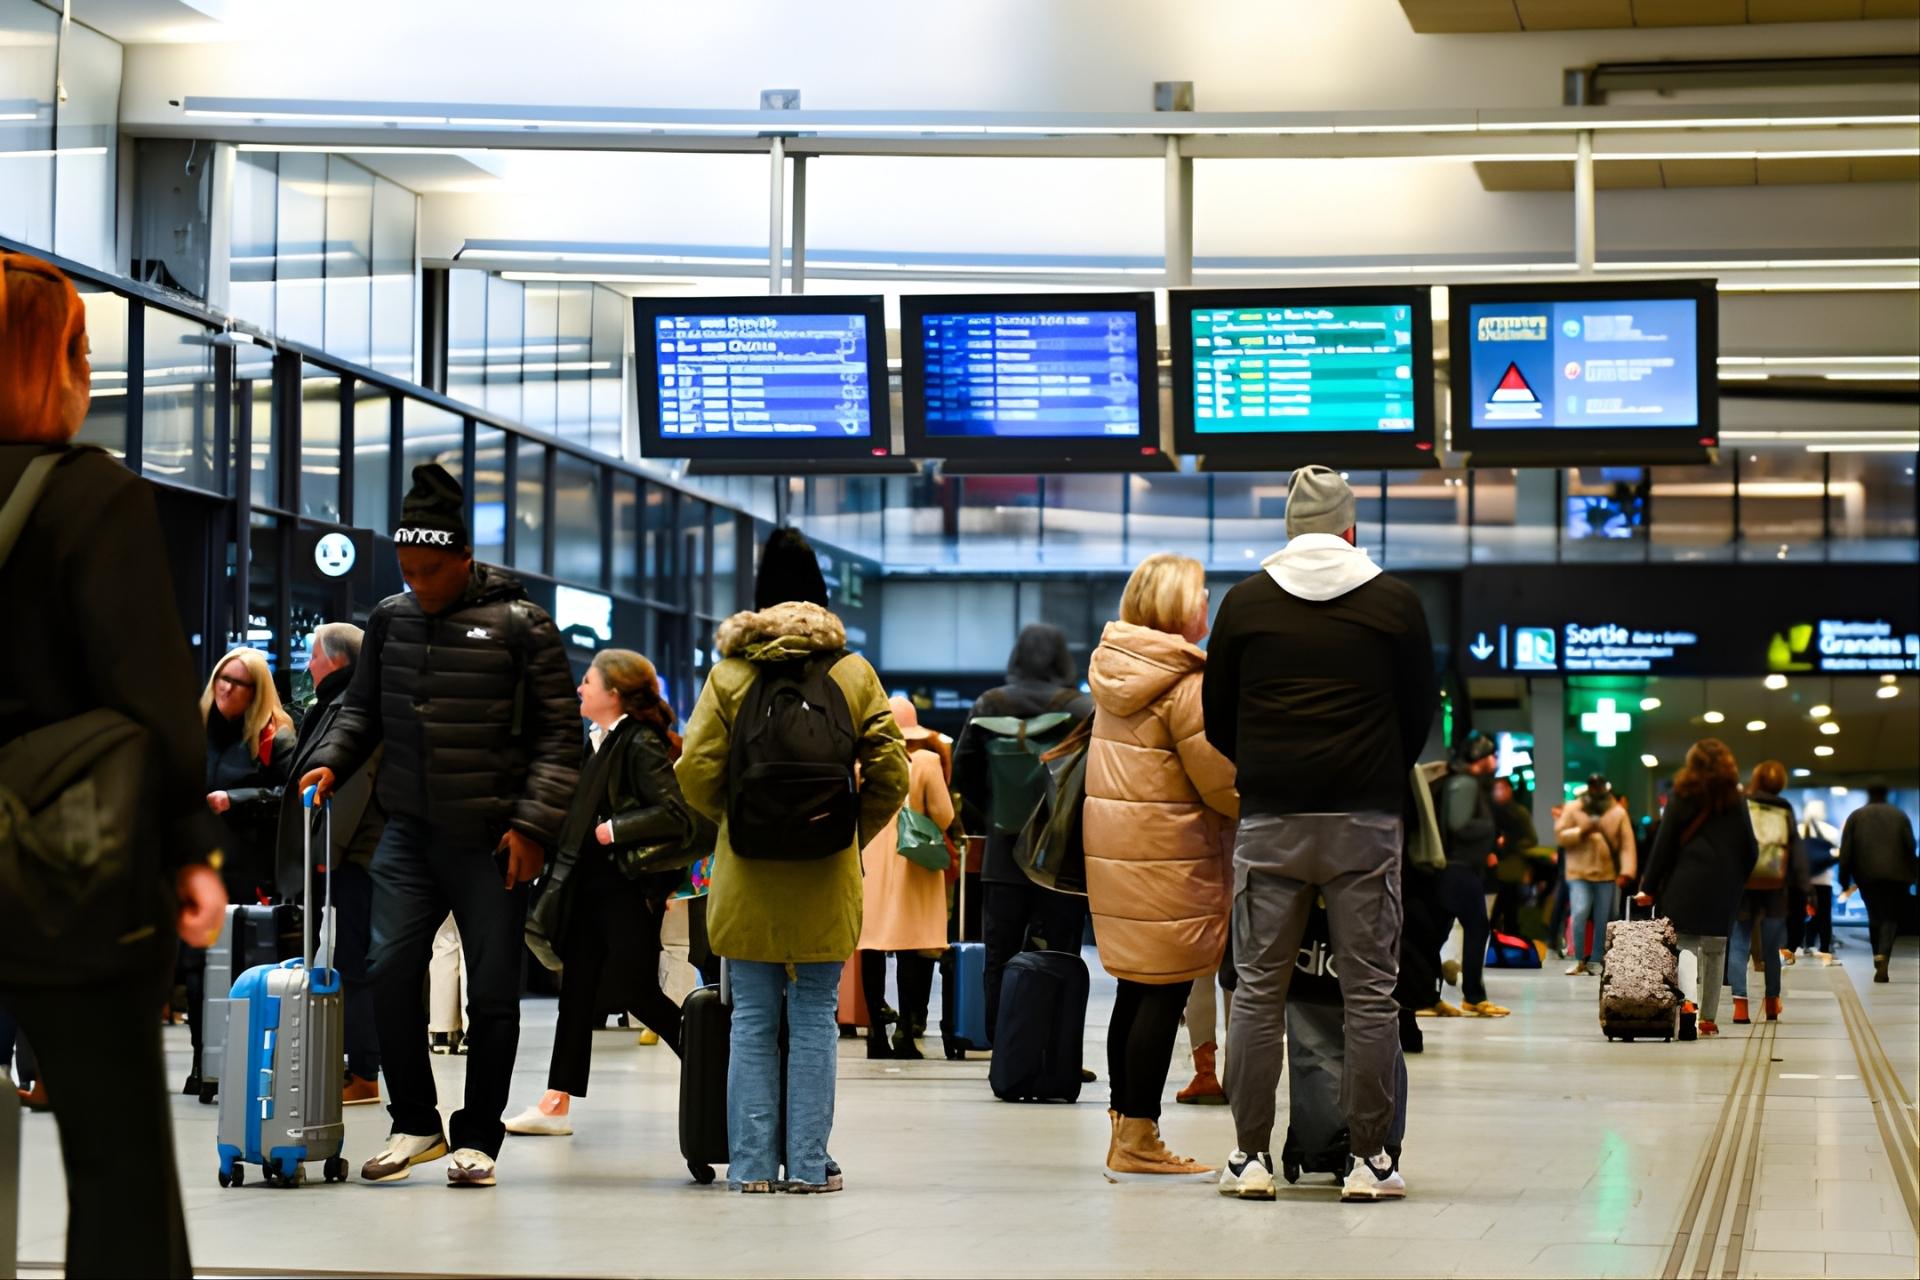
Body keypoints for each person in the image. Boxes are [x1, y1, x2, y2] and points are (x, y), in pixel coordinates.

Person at [0, 249, 227, 1277]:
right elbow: (146, 696)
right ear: (49, 362)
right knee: (116, 1161)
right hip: (76, 872)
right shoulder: (93, 497)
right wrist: (192, 851)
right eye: (80, 349)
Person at [301, 462, 581, 1189]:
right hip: (408, 830)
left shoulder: (523, 626)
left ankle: (478, 1136)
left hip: (491, 839)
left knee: (491, 991)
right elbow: (360, 710)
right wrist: (330, 760)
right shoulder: (391, 620)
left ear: (464, 557)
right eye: (406, 570)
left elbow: (560, 740)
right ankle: (416, 1121)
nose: (418, 583)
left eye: (431, 569)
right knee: (388, 971)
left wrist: (531, 827)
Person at [1200, 465, 1438, 1203]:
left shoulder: (1243, 603)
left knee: (1257, 994)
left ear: (1289, 530)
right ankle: (1369, 1162)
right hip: (1365, 822)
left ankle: (1250, 1159)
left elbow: (1217, 717)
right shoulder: (1396, 603)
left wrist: (1271, 771)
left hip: (1270, 819)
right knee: (1370, 995)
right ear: (1351, 528)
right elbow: (1418, 715)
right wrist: (1371, 774)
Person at [675, 526, 908, 1193]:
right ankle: (807, 1167)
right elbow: (891, 774)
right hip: (826, 872)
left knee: (750, 1018)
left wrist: (739, 823)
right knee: (813, 1020)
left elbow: (694, 773)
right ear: (823, 599)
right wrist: (845, 834)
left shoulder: (730, 673)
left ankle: (749, 1169)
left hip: (746, 872)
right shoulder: (853, 672)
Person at [1083, 552, 1239, 1180]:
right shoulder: (1184, 682)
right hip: (1171, 857)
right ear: (1178, 606)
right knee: (1162, 993)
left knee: (1135, 991)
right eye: (1201, 594)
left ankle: (1126, 1129)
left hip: (1123, 857)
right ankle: (1140, 1139)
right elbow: (1220, 784)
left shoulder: (1118, 672)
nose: (1208, 606)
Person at [508, 649, 697, 1136]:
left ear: (613, 693)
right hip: (589, 888)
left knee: (636, 991)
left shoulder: (638, 742)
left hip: (620, 888)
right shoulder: (600, 740)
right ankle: (555, 1103)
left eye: (588, 680)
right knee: (576, 992)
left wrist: (612, 830)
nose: (579, 688)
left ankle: (717, 1069)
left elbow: (673, 814)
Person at [954, 622, 1095, 1040]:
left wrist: (996, 812)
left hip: (1003, 853)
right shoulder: (1080, 708)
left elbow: (964, 770)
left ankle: (1004, 1047)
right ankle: (1055, 1051)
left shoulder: (989, 704)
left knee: (1000, 954)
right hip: (1061, 859)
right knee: (1060, 954)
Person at [275, 623, 386, 1105]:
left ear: (336, 661)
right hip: (346, 853)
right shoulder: (336, 704)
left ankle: (363, 1073)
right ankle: (354, 1066)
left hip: (353, 856)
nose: (307, 666)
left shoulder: (349, 709)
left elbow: (354, 784)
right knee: (345, 958)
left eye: (312, 657)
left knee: (353, 961)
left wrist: (329, 850)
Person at [1634, 739, 1757, 1040]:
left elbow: (1663, 845)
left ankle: (1688, 1008)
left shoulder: (1682, 796)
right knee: (1716, 949)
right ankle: (1709, 1019)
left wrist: (1648, 886)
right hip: (1723, 886)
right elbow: (1751, 849)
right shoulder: (1736, 799)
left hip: (1685, 883)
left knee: (1685, 945)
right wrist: (1736, 878)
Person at [855, 696, 955, 1060]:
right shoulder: (926, 761)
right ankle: (905, 1035)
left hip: (867, 860)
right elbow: (943, 816)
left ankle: (875, 1035)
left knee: (871, 946)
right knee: (912, 946)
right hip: (913, 860)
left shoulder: (862, 762)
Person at [1429, 733, 1508, 1018]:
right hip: (1458, 868)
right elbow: (1458, 824)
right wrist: (1489, 832)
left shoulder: (1463, 782)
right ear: (1480, 758)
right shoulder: (1464, 784)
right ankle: (1473, 996)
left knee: (1436, 932)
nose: (1495, 761)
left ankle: (1425, 996)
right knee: (1476, 928)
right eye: (1492, 756)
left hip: (1455, 867)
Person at [1731, 761, 1808, 1023]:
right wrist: (1806, 888)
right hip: (1775, 884)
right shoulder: (1784, 807)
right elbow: (1795, 849)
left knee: (1739, 942)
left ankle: (1740, 1006)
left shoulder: (1743, 803)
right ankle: (1772, 1002)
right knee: (1772, 946)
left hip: (1744, 882)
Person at [1556, 775, 1637, 976]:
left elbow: (1627, 844)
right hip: (1579, 871)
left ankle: (1596, 958)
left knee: (1604, 918)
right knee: (1580, 912)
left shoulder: (1617, 812)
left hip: (1606, 872)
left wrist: (1626, 871)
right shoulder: (1574, 808)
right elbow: (1561, 834)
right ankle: (1578, 958)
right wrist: (1581, 831)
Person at [1839, 784, 1918, 984]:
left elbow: (1846, 849)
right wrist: (1913, 875)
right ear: (1886, 794)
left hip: (1867, 875)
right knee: (1890, 917)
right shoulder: (1900, 815)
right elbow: (1910, 846)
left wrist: (1844, 879)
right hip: (1897, 876)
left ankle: (1877, 956)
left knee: (1874, 915)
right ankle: (1884, 956)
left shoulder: (1856, 816)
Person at [1488, 776, 1539, 938]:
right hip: (1490, 870)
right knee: (1491, 913)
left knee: (1510, 911)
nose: (1499, 792)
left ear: (1510, 790)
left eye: (1502, 788)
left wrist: (1509, 843)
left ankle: (1510, 947)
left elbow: (1531, 839)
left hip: (1511, 869)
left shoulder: (1519, 812)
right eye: (1496, 789)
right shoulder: (1488, 811)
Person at [1798, 799, 1841, 963]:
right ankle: (1824, 947)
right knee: (1824, 916)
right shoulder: (1831, 831)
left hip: (1803, 880)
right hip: (1824, 880)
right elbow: (1836, 853)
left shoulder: (1798, 830)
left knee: (1801, 914)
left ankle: (1802, 945)